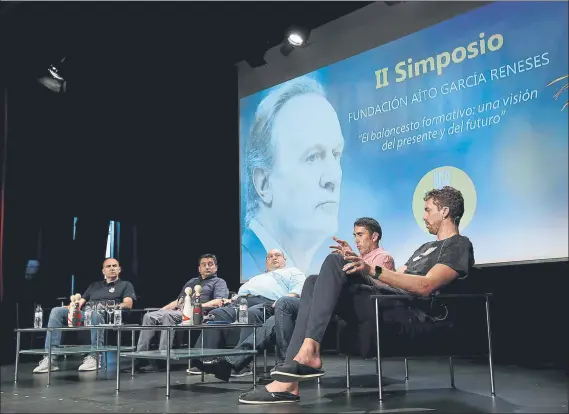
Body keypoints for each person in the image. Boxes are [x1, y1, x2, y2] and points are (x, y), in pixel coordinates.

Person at [238, 186, 475, 404]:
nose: (424, 216)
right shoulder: (424, 248)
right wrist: (359, 266)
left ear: (444, 211)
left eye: (428, 210)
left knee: (334, 261)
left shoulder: (458, 245)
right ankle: (294, 372)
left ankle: (298, 367)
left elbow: (425, 286)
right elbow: (396, 278)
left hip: (412, 311)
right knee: (312, 281)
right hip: (389, 299)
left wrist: (370, 269)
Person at [196, 217, 394, 382]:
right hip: (329, 306)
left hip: (345, 310)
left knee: (284, 303)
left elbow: (378, 289)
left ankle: (286, 367)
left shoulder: (382, 258)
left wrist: (356, 266)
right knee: (275, 321)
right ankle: (236, 363)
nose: (356, 240)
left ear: (374, 236)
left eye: (360, 235)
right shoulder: (356, 257)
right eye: (354, 236)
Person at [241, 76, 345, 279]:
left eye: (336, 154)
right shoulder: (251, 266)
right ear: (263, 184)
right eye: (312, 157)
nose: (333, 177)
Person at [188, 248, 305, 376]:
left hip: (269, 303)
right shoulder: (258, 277)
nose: (274, 258)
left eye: (277, 255)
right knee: (217, 313)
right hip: (242, 302)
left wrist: (287, 298)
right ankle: (204, 361)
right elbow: (242, 291)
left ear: (284, 259)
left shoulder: (292, 271)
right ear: (266, 262)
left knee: (250, 314)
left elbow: (299, 288)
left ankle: (241, 365)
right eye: (270, 256)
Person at [33, 258, 136, 373]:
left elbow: (128, 304)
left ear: (119, 269)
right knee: (56, 311)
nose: (112, 268)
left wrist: (108, 307)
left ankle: (95, 357)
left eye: (115, 266)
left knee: (95, 314)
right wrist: (69, 307)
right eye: (108, 266)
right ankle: (51, 358)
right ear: (103, 271)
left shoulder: (125, 285)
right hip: (87, 314)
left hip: (107, 316)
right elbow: (80, 303)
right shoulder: (94, 285)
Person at [134, 254, 229, 372]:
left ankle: (163, 358)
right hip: (180, 312)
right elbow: (179, 301)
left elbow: (219, 301)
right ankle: (140, 357)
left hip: (198, 314)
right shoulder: (192, 282)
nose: (207, 267)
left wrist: (196, 306)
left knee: (168, 316)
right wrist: (161, 310)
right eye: (204, 265)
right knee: (149, 316)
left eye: (210, 264)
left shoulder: (219, 282)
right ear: (199, 268)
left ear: (216, 267)